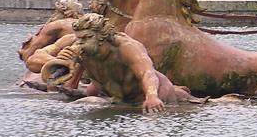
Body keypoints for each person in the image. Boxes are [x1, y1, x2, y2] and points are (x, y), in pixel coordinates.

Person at [41, 13, 190, 113]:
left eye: (86, 38)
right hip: (116, 98)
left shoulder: (126, 47)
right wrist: (56, 61)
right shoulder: (77, 45)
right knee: (91, 97)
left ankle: (181, 96)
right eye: (79, 38)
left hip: (151, 95)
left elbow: (147, 72)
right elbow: (35, 59)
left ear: (101, 36)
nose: (80, 42)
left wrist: (152, 96)